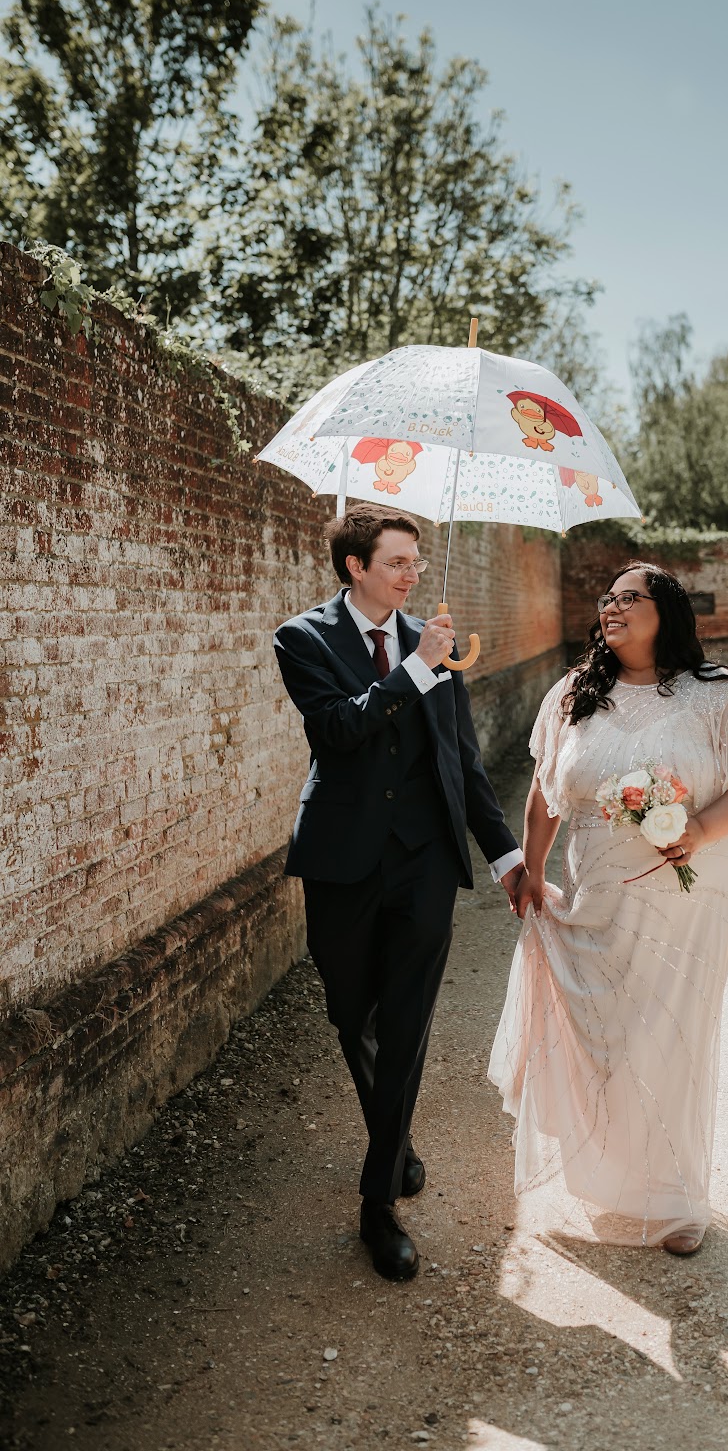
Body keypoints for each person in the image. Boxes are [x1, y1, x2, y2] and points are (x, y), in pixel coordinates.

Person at [489, 561, 728, 1255]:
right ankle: (615, 1171)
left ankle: (676, 1199)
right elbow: (545, 790)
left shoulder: (715, 696)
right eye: (607, 598)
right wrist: (532, 868)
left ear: (666, 613)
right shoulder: (574, 694)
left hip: (686, 895)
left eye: (630, 597)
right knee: (607, 1035)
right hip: (595, 892)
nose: (612, 607)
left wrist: (701, 828)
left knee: (667, 1038)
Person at [274, 505, 524, 1282]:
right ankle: (396, 1135)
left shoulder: (436, 642)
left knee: (408, 1024)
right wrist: (415, 669)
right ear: (355, 567)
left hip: (424, 864)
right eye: (396, 562)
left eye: (416, 560)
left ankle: (377, 1202)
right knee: (353, 1016)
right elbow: (337, 731)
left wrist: (507, 856)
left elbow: (462, 762)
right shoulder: (303, 639)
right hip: (341, 861)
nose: (412, 573)